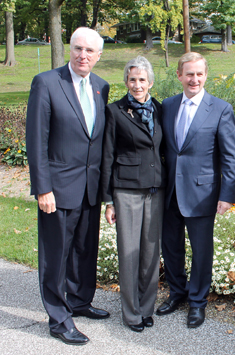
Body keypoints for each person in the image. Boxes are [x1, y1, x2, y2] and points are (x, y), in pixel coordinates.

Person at [26, 27, 110, 345]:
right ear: (69, 48)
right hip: (57, 189)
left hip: (89, 188)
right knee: (56, 255)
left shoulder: (101, 87)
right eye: (77, 48)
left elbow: (97, 140)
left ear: (98, 56)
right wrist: (42, 188)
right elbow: (36, 141)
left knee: (84, 251)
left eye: (90, 50)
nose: (83, 55)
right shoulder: (46, 83)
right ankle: (59, 319)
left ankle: (79, 301)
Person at [156, 52, 235, 328]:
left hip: (203, 194)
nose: (194, 79)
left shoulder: (220, 109)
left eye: (199, 74)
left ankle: (197, 302)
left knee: (202, 251)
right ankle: (177, 293)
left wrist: (227, 195)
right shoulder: (167, 106)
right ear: (179, 75)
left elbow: (230, 156)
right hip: (169, 193)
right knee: (171, 248)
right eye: (189, 74)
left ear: (206, 76)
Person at [100, 56, 165, 332]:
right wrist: (109, 200)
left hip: (155, 190)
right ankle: (131, 312)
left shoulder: (161, 110)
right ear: (126, 81)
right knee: (129, 252)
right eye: (132, 79)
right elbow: (107, 155)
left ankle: (146, 307)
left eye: (142, 79)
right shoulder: (115, 111)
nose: (137, 85)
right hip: (125, 190)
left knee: (151, 254)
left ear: (150, 82)